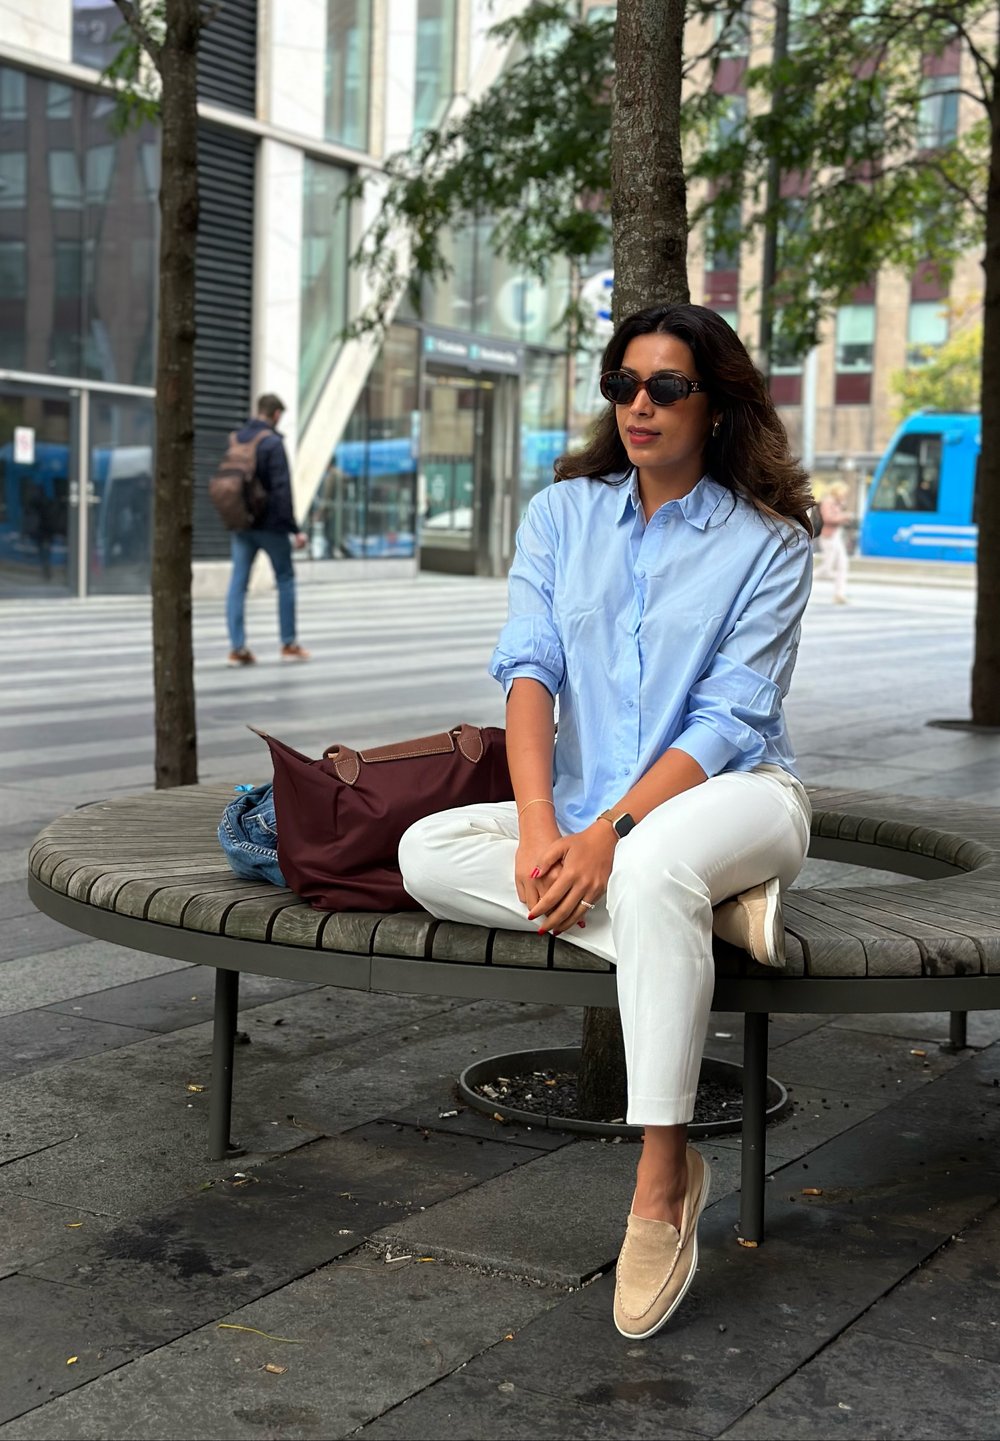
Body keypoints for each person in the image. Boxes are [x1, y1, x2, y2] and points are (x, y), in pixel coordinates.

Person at [398, 302, 814, 1340]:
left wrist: (608, 837)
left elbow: (728, 719)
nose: (639, 404)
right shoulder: (561, 516)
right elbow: (529, 671)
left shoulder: (770, 543)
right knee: (425, 850)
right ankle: (710, 916)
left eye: (666, 387)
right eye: (622, 384)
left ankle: (663, 1177)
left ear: (716, 404)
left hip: (739, 796)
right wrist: (545, 827)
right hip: (589, 816)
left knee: (658, 860)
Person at [225, 393, 310, 665]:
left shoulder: (236, 439)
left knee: (238, 583)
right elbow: (282, 490)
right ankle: (288, 644)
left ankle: (237, 648)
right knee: (285, 579)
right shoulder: (272, 443)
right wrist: (295, 529)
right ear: (276, 414)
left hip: (241, 524)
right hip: (271, 526)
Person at [812, 479, 853, 604]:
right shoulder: (828, 501)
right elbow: (827, 518)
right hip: (828, 537)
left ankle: (839, 594)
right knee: (827, 567)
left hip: (836, 536)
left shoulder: (837, 502)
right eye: (843, 492)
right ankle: (803, 580)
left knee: (843, 564)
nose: (845, 495)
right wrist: (844, 516)